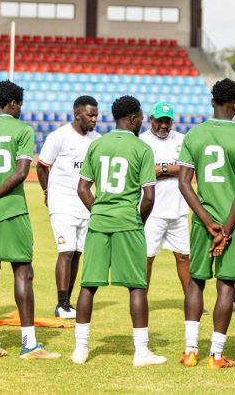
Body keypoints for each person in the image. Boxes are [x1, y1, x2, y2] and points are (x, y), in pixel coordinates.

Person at [0, 80, 60, 360]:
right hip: (12, 209)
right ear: (14, 104)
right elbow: (19, 173)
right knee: (23, 272)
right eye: (20, 105)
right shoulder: (22, 129)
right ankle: (29, 345)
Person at [72, 95, 166, 367]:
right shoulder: (142, 148)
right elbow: (148, 196)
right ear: (134, 119)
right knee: (136, 286)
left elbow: (82, 188)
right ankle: (141, 352)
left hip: (99, 222)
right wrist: (138, 221)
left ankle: (80, 349)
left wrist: (100, 211)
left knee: (88, 285)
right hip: (128, 222)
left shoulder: (97, 144)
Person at [177, 79, 235, 369]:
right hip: (234, 223)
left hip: (201, 222)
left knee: (195, 282)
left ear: (212, 102)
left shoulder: (193, 135)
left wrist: (208, 223)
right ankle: (216, 355)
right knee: (225, 287)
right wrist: (226, 229)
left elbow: (184, 184)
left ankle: (189, 352)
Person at [37, 96, 100, 319]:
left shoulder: (97, 140)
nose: (94, 119)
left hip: (85, 203)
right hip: (62, 202)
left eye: (96, 115)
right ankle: (61, 304)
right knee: (66, 251)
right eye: (90, 115)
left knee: (77, 254)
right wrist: (47, 191)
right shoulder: (59, 136)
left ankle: (67, 303)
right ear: (77, 114)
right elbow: (42, 166)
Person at [139, 102, 189, 292]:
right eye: (160, 121)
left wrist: (161, 169)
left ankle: (192, 302)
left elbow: (188, 169)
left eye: (167, 121)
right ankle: (140, 300)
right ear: (151, 119)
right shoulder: (142, 141)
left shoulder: (182, 139)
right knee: (147, 257)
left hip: (179, 208)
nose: (164, 125)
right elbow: (143, 173)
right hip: (152, 210)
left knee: (184, 256)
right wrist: (174, 170)